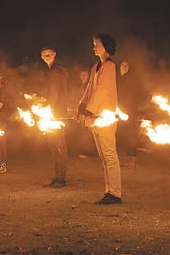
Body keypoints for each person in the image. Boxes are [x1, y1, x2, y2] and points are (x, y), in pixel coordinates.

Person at [78, 33, 122, 205]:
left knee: (110, 155)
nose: (94, 47)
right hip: (95, 117)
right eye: (94, 44)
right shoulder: (96, 66)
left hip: (104, 117)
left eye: (96, 44)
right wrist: (81, 106)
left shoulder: (109, 66)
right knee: (104, 157)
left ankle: (115, 193)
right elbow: (89, 89)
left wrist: (89, 110)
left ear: (105, 46)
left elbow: (102, 90)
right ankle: (108, 191)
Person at [36, 46, 70, 188]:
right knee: (53, 145)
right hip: (51, 111)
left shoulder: (56, 71)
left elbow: (54, 95)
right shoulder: (51, 71)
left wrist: (46, 109)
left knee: (59, 145)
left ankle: (61, 178)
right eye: (44, 54)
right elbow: (50, 93)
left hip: (56, 113)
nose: (46, 55)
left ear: (54, 54)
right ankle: (57, 177)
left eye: (49, 53)